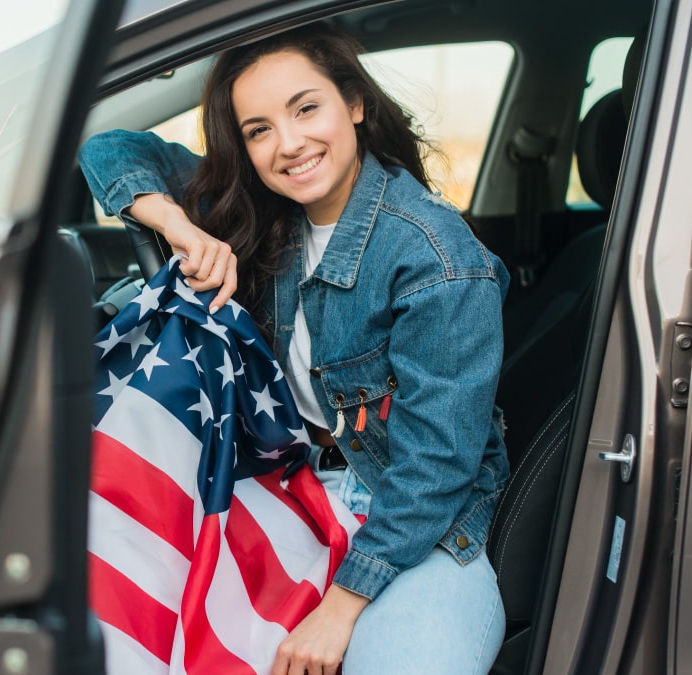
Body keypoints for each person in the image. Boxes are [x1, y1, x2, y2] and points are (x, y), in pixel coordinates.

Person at [79, 22, 509, 675]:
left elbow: (435, 472)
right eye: (258, 130)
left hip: (413, 519)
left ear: (355, 103)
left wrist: (339, 608)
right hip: (296, 484)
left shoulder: (437, 259)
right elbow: (107, 149)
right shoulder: (265, 209)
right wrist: (178, 227)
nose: (289, 144)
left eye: (306, 108)